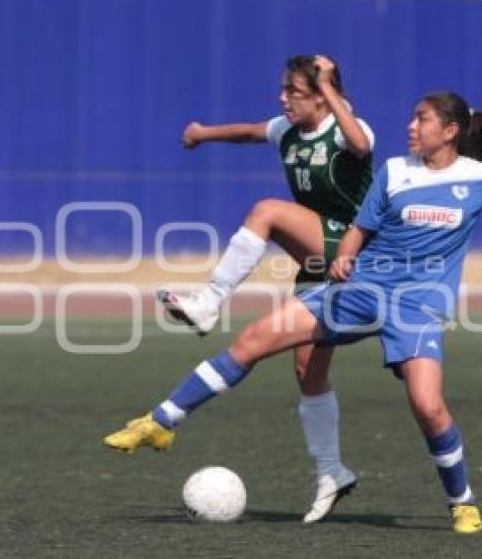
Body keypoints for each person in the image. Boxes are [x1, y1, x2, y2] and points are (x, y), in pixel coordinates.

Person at [104, 92, 482, 534]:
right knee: (255, 339)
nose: (411, 126)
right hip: (362, 289)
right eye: (412, 118)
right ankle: (160, 421)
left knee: (428, 407)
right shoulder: (394, 172)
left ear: (450, 131)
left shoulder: (478, 178)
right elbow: (362, 228)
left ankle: (463, 502)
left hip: (416, 307)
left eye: (422, 119)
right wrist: (344, 255)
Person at [156, 55, 375, 522]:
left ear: (319, 94)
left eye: (293, 91)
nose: (283, 98)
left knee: (268, 211)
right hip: (321, 262)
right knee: (307, 370)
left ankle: (209, 303)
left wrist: (329, 86)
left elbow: (359, 145)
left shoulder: (347, 126)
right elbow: (250, 131)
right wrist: (202, 134)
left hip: (358, 253)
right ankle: (332, 471)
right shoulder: (286, 129)